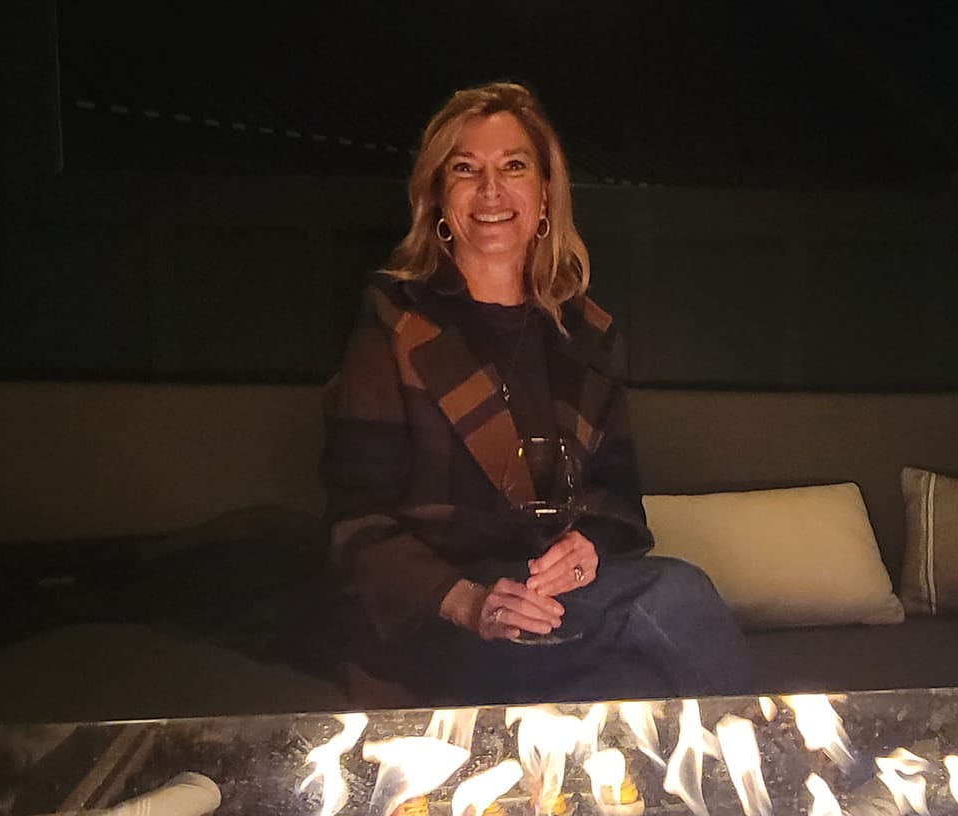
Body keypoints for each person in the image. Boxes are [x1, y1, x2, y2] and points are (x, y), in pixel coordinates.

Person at [320, 82, 752, 705]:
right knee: (673, 594)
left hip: (555, 604)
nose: (491, 190)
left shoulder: (586, 332)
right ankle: (783, 757)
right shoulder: (395, 322)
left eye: (514, 167)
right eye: (465, 169)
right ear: (438, 194)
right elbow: (356, 522)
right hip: (439, 615)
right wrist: (468, 602)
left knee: (637, 682)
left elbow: (618, 497)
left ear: (545, 192)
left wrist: (588, 547)